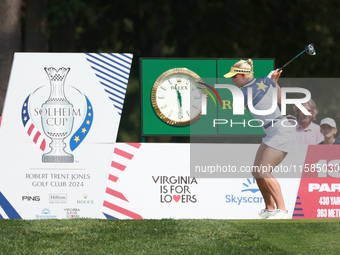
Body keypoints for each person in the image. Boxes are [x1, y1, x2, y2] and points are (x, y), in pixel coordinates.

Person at [224, 59, 297, 219]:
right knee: (256, 171)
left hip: (281, 131)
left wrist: (272, 82)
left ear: (242, 75)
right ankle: (270, 208)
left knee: (263, 171)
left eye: (234, 77)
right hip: (272, 131)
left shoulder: (247, 91)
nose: (232, 80)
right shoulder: (262, 82)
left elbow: (277, 99)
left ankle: (283, 210)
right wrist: (272, 82)